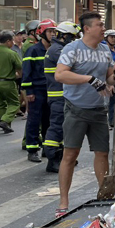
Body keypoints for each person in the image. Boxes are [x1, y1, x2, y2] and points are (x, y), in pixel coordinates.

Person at [54, 12, 115, 218]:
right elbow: (60, 74)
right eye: (100, 25)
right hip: (76, 108)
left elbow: (109, 77)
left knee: (102, 153)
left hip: (99, 110)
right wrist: (89, 79)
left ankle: (104, 195)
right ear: (87, 29)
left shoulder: (104, 50)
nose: (104, 28)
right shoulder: (72, 49)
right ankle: (63, 201)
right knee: (70, 155)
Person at [43, 21, 80, 173]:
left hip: (63, 95)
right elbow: (76, 64)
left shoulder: (58, 48)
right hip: (58, 96)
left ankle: (61, 157)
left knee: (64, 128)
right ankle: (52, 159)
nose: (73, 40)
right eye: (71, 37)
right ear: (64, 36)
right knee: (57, 127)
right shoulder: (57, 50)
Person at [22, 19, 55, 162]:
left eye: (54, 31)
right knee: (34, 121)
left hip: (51, 90)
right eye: (50, 31)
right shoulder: (33, 50)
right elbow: (26, 72)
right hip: (37, 90)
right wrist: (29, 92)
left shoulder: (54, 50)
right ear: (42, 33)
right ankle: (32, 149)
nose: (53, 34)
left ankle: (47, 149)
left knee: (49, 120)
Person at [103, 30, 115, 128]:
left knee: (114, 101)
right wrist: (109, 84)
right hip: (107, 78)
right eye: (112, 37)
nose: (114, 39)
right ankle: (107, 122)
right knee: (106, 103)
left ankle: (112, 121)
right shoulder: (105, 50)